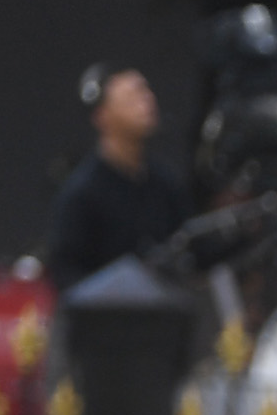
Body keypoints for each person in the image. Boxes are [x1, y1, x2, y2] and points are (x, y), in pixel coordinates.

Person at [43, 65, 191, 287]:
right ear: (102, 116)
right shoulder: (82, 193)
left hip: (163, 312)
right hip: (108, 316)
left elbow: (192, 246)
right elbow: (66, 273)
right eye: (132, 97)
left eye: (146, 92)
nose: (147, 102)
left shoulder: (165, 182)